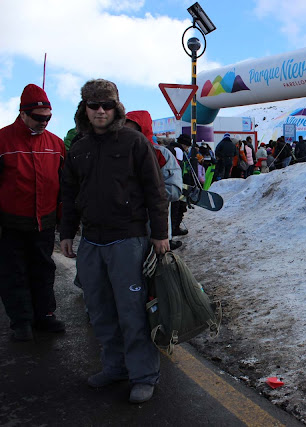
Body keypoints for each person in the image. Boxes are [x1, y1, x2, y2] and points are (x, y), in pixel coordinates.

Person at [59, 79, 169, 404]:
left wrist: (161, 233)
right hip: (92, 242)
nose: (100, 111)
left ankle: (144, 375)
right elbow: (68, 193)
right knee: (100, 311)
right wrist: (67, 232)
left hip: (128, 241)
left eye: (106, 105)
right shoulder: (78, 148)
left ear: (117, 108)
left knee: (132, 313)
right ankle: (115, 367)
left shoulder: (135, 142)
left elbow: (155, 190)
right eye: (94, 105)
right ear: (85, 109)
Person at [0, 84, 66, 342]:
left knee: (43, 269)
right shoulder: (3, 140)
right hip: (10, 224)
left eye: (48, 118)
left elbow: (65, 186)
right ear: (23, 113)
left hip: (45, 222)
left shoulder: (56, 144)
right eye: (39, 118)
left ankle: (45, 315)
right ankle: (21, 321)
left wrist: (63, 220)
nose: (44, 123)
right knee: (13, 272)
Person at [125, 110, 183, 250]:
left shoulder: (160, 154)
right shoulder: (116, 153)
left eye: (132, 129)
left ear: (143, 129)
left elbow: (174, 190)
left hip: (153, 230)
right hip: (122, 233)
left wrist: (140, 194)